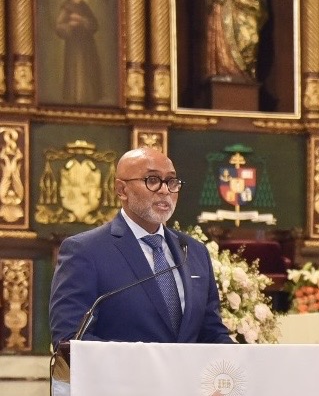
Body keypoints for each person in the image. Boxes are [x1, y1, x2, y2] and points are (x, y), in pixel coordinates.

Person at [49, 146, 233, 346]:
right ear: (122, 190)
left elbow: (212, 332)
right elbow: (71, 339)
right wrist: (142, 361)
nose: (165, 190)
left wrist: (246, 358)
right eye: (152, 180)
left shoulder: (195, 251)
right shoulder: (85, 251)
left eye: (172, 181)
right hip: (121, 368)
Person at [204, 0, 269, 82]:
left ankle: (244, 72)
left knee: (249, 39)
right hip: (224, 6)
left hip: (247, 4)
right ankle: (226, 68)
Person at [55, 0, 102, 104]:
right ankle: (76, 98)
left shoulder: (84, 6)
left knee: (88, 71)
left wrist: (82, 20)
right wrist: (70, 25)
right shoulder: (66, 6)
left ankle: (89, 97)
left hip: (88, 46)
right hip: (74, 46)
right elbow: (59, 27)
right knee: (76, 70)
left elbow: (94, 25)